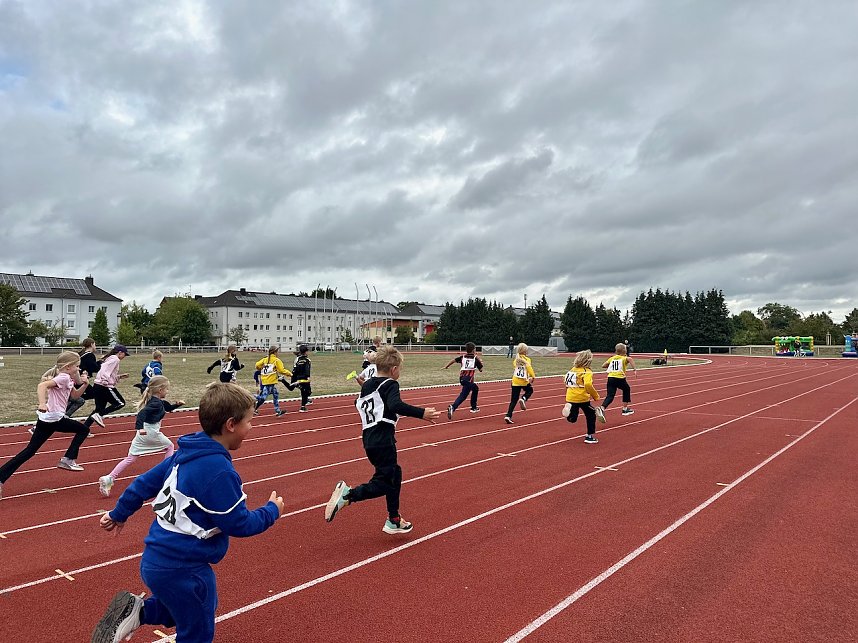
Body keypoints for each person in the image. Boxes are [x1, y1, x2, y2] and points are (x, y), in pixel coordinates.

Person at [91, 383, 283, 643]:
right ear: (230, 425)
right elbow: (238, 524)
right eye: (249, 421)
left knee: (195, 608)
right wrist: (272, 511)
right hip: (185, 568)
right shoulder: (218, 471)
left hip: (156, 558)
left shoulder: (185, 453)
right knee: (198, 631)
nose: (251, 427)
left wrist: (118, 514)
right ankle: (141, 611)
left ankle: (137, 611)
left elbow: (143, 484)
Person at [324, 346, 439, 534]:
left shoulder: (368, 384)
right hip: (383, 439)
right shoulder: (390, 384)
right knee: (385, 482)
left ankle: (394, 519)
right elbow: (395, 405)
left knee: (395, 473)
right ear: (394, 369)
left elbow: (358, 403)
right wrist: (422, 413)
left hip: (370, 438)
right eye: (399, 369)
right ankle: (349, 495)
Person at [0, 352, 90, 499]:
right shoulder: (63, 377)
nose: (79, 370)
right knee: (84, 430)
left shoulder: (68, 378)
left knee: (29, 451)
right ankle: (68, 459)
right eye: (77, 366)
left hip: (47, 419)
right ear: (68, 367)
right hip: (54, 418)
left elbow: (74, 396)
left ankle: (0, 477)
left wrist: (84, 384)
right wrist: (42, 403)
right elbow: (42, 385)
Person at [98, 375, 185, 497]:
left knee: (131, 458)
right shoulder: (155, 403)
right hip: (150, 432)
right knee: (170, 447)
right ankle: (166, 474)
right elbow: (141, 414)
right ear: (160, 390)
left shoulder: (156, 401)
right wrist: (140, 428)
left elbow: (168, 407)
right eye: (166, 389)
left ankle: (109, 477)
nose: (167, 391)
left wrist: (177, 405)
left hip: (143, 433)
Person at [83, 344, 131, 431]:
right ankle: (99, 415)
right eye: (125, 354)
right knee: (120, 403)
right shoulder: (115, 359)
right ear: (120, 353)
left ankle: (84, 428)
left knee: (98, 409)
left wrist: (119, 377)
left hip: (98, 385)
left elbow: (107, 372)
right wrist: (104, 381)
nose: (124, 356)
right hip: (104, 385)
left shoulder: (110, 359)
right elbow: (104, 370)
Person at [563, 349, 602, 444]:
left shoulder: (572, 370)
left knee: (573, 419)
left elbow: (565, 381)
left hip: (570, 397)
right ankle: (589, 436)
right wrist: (595, 396)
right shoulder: (587, 371)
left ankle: (569, 411)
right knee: (591, 414)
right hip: (582, 398)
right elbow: (588, 385)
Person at [443, 342, 484, 418]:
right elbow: (481, 369)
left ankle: (453, 407)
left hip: (462, 379)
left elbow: (453, 360)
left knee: (463, 396)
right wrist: (481, 362)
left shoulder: (463, 357)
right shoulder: (475, 358)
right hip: (468, 379)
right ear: (473, 350)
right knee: (476, 388)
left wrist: (447, 366)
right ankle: (473, 407)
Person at [66, 338, 100, 417]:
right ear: (91, 344)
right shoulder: (89, 355)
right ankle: (66, 411)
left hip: (76, 379)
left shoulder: (82, 354)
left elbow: (90, 366)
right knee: (91, 394)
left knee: (85, 397)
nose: (95, 346)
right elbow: (95, 368)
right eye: (95, 344)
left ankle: (69, 404)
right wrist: (102, 363)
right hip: (79, 380)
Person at [600, 343, 637, 418]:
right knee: (626, 389)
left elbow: (603, 365)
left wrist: (610, 365)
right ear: (624, 351)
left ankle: (602, 408)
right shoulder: (624, 358)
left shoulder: (612, 358)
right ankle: (625, 409)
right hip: (619, 378)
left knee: (610, 396)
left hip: (610, 378)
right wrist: (634, 369)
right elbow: (630, 359)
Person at [254, 345, 292, 416]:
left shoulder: (265, 359)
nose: (278, 353)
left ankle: (278, 411)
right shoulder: (276, 360)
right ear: (275, 352)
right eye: (277, 352)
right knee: (263, 398)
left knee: (275, 394)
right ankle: (251, 396)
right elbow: (282, 370)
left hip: (265, 380)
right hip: (270, 382)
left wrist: (260, 368)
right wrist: (290, 374)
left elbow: (257, 365)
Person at [504, 343, 535, 424]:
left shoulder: (515, 360)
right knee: (530, 390)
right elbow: (529, 368)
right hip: (524, 381)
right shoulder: (527, 360)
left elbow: (516, 367)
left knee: (513, 400)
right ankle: (523, 398)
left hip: (515, 381)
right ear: (525, 351)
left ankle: (508, 415)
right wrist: (533, 376)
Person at [285, 344, 312, 412]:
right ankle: (303, 407)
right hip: (303, 378)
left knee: (295, 389)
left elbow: (295, 368)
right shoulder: (307, 360)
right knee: (306, 391)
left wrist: (293, 377)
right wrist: (308, 377)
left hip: (296, 377)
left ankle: (283, 380)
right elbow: (307, 369)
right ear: (306, 352)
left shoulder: (297, 359)